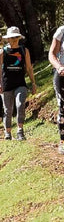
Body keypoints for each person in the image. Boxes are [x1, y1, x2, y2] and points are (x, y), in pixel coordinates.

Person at [0, 26, 37, 140]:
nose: (13, 39)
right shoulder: (2, 51)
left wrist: (33, 83)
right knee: (8, 109)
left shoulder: (24, 50)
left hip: (20, 83)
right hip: (6, 84)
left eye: (16, 37)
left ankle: (20, 130)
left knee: (20, 105)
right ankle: (8, 132)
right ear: (7, 39)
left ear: (19, 38)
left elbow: (29, 68)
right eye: (11, 37)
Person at [48, 25, 64, 153]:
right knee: (63, 108)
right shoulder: (61, 31)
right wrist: (59, 67)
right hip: (62, 74)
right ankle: (63, 141)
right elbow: (52, 54)